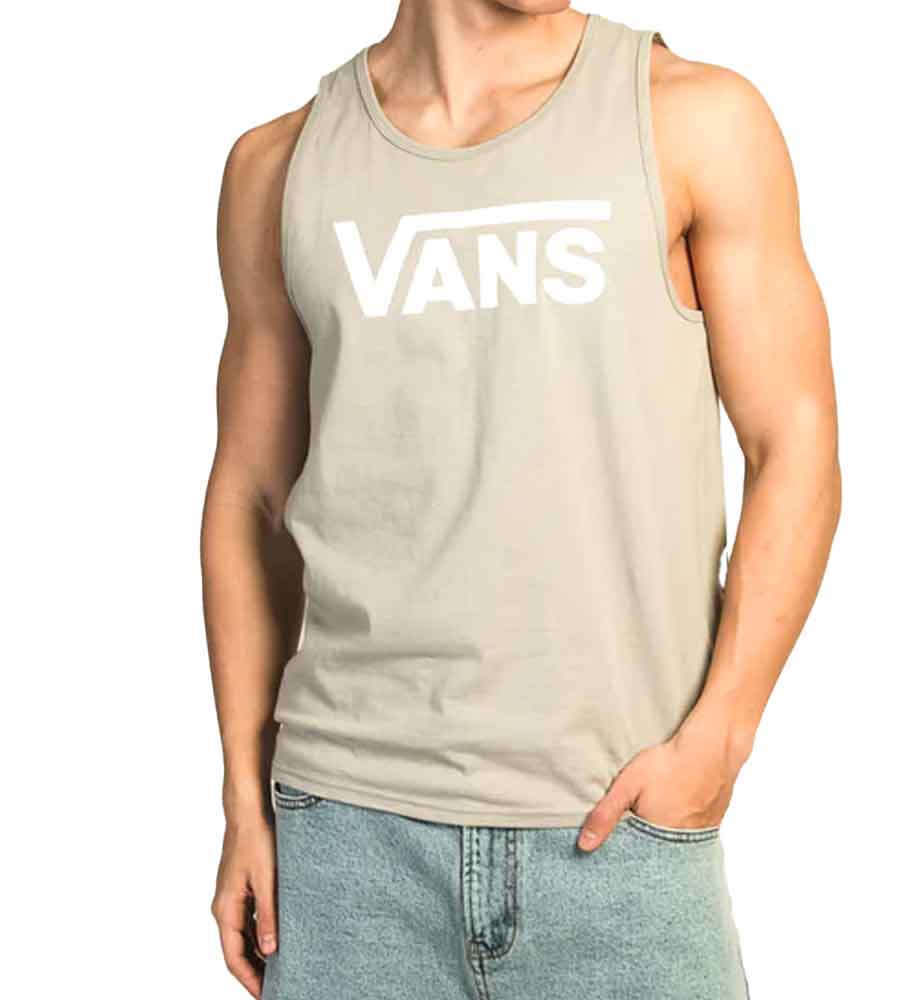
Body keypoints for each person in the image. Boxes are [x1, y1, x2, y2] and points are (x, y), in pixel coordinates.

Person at [202, 3, 840, 998]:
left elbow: (793, 441)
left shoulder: (691, 117)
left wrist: (718, 740)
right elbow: (249, 497)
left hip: (618, 827)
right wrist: (244, 797)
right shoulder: (279, 167)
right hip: (345, 841)